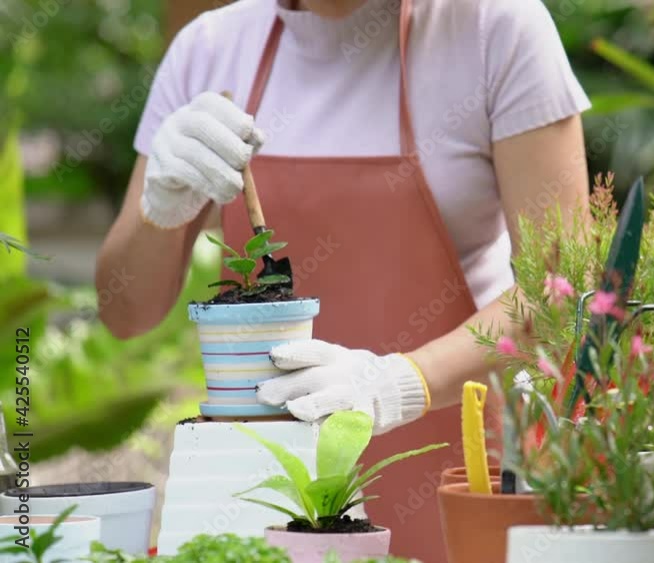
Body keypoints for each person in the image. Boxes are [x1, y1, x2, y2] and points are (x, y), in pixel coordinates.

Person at [96, 0, 589, 559]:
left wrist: (396, 383)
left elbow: (561, 294)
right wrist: (159, 210)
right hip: (267, 495)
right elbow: (125, 312)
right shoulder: (208, 50)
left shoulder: (494, 30)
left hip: (462, 478)